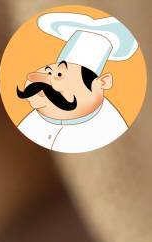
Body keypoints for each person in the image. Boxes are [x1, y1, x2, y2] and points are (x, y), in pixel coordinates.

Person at [17, 12, 140, 153]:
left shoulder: (109, 130)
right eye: (48, 70)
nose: (40, 79)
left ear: (102, 83)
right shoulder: (32, 120)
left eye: (59, 75)